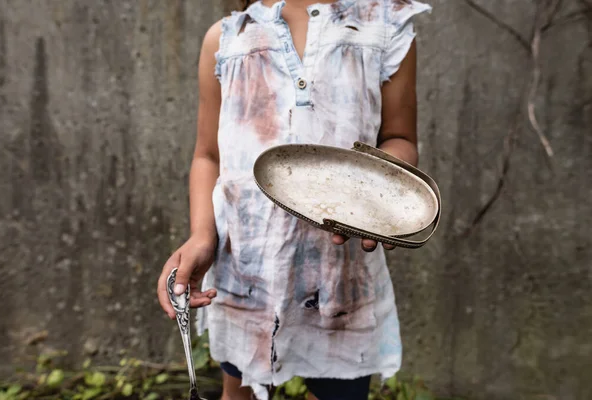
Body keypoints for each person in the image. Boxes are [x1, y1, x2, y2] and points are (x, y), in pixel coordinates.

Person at [157, 0, 431, 399]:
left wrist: (375, 193)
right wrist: (201, 235)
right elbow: (208, 156)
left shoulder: (383, 29)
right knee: (240, 389)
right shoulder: (228, 39)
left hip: (340, 280)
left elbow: (401, 139)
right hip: (244, 275)